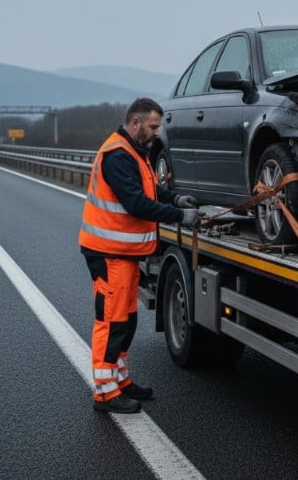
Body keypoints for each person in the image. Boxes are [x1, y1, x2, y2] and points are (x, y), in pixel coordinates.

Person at [78, 97, 200, 414]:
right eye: (153, 126)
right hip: (108, 253)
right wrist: (178, 216)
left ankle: (120, 382)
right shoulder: (117, 155)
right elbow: (136, 204)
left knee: (126, 321)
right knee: (112, 321)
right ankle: (104, 393)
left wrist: (176, 198)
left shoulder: (135, 152)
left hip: (125, 253)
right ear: (136, 123)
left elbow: (150, 190)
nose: (157, 133)